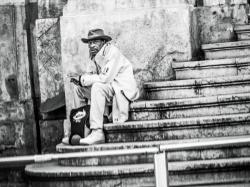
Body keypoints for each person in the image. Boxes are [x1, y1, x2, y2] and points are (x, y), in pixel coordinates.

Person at [64, 28, 140, 145]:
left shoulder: (112, 52)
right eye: (89, 43)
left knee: (97, 87)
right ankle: (80, 128)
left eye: (95, 42)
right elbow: (89, 76)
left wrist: (83, 79)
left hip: (121, 88)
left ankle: (97, 132)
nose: (91, 45)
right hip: (109, 88)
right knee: (78, 89)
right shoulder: (94, 56)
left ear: (103, 42)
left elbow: (105, 78)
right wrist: (79, 80)